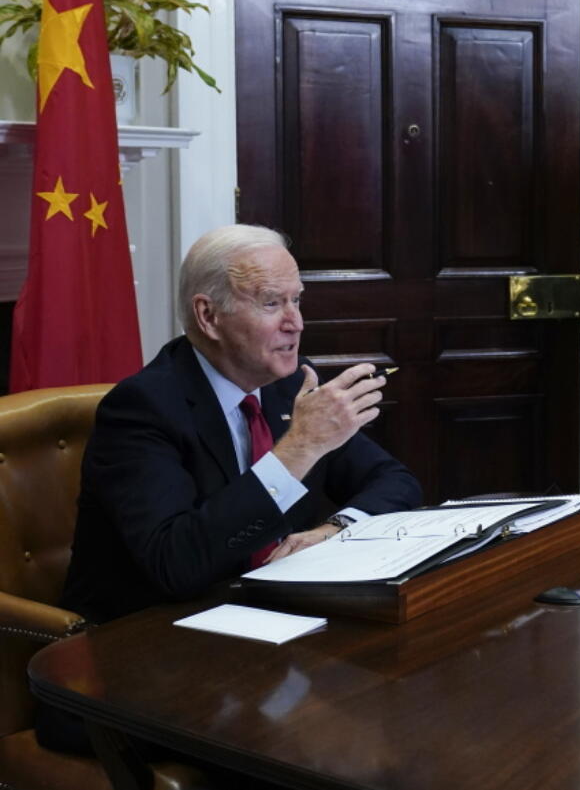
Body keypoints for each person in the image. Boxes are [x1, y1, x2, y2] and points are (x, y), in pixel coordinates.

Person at [59, 224, 423, 625]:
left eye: (297, 300)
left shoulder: (290, 383)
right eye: (272, 304)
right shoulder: (142, 408)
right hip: (153, 636)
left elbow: (395, 481)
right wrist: (299, 448)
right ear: (209, 315)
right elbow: (175, 566)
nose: (296, 322)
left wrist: (335, 528)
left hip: (273, 616)